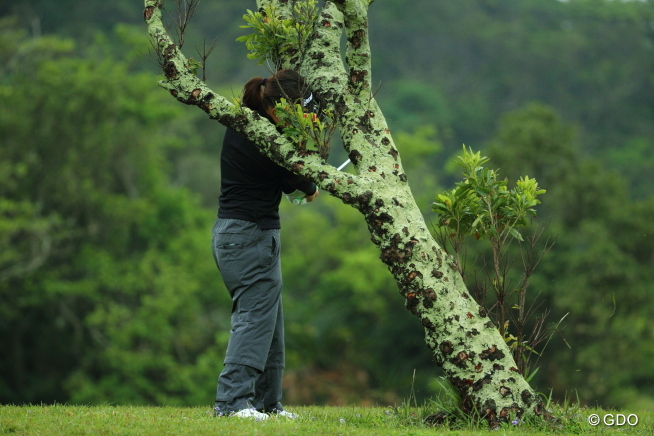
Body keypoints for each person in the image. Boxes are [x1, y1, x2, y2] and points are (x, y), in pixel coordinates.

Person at [212, 69, 320, 420]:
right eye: (297, 110)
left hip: (239, 235)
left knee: (269, 321)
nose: (303, 117)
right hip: (250, 236)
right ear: (277, 109)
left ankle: (266, 405)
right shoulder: (270, 139)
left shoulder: (245, 123)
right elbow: (301, 182)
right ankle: (231, 403)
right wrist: (311, 184)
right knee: (255, 319)